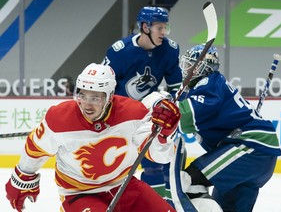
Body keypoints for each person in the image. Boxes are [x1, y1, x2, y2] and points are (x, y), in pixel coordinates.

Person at [5, 63, 180, 212]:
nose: (87, 105)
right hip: (79, 193)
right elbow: (36, 148)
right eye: (82, 95)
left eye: (95, 98)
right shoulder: (59, 119)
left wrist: (163, 134)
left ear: (110, 97)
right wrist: (22, 177)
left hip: (124, 185)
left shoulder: (132, 114)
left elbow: (160, 156)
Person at [145, 44, 281, 211]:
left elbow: (183, 116)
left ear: (204, 67)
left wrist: (157, 112)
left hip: (251, 149)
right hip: (259, 157)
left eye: (191, 64)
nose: (186, 69)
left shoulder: (209, 82)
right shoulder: (208, 86)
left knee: (189, 180)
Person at [101, 6, 182, 204]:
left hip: (147, 116)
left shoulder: (170, 50)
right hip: (118, 117)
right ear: (145, 27)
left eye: (166, 28)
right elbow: (101, 87)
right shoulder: (119, 51)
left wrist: (173, 107)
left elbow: (176, 88)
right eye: (160, 28)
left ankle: (159, 205)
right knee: (112, 169)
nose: (164, 33)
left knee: (154, 164)